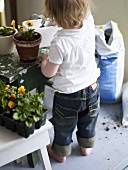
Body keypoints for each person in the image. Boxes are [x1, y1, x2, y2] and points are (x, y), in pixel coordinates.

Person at [41, 0, 100, 163]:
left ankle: (60, 152)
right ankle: (86, 146)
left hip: (69, 94)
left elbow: (48, 72)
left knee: (64, 125)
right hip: (92, 86)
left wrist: (44, 61)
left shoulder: (59, 42)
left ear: (54, 15)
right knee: (89, 119)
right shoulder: (89, 21)